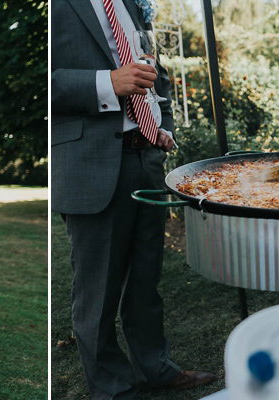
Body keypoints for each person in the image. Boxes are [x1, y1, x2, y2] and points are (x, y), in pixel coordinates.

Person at [51, 0, 215, 397]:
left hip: (147, 157)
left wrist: (163, 125)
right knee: (98, 292)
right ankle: (114, 388)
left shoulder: (130, 5)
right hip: (93, 164)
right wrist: (108, 82)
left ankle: (157, 368)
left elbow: (155, 75)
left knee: (146, 280)